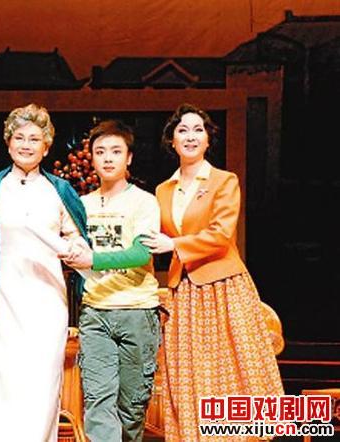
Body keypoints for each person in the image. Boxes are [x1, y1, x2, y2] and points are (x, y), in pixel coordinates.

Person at [141, 103, 283, 441]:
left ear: (208, 140)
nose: (190, 136)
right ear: (171, 141)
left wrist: (174, 245)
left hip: (222, 284)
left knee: (231, 367)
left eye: (198, 130)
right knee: (188, 371)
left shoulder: (224, 181)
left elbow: (221, 234)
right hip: (183, 289)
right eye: (182, 130)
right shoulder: (162, 190)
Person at [0, 103, 89, 441]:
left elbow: (77, 239)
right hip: (3, 300)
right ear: (8, 142)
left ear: (47, 146)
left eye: (34, 139)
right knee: (2, 382)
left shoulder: (59, 190)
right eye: (19, 137)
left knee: (42, 384)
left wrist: (76, 249)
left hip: (46, 300)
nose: (26, 145)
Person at [62, 120, 161, 442]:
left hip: (138, 313)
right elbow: (73, 247)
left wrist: (94, 260)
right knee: (98, 401)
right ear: (91, 157)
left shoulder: (144, 202)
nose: (107, 158)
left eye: (116, 151)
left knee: (132, 407)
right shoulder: (82, 205)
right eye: (100, 151)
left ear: (129, 158)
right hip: (95, 313)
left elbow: (141, 254)